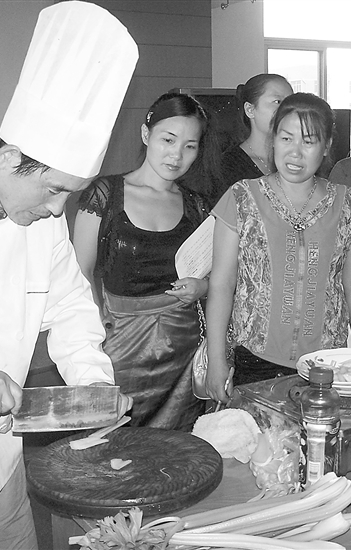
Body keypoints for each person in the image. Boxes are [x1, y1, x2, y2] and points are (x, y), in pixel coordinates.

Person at [0, 2, 138, 549]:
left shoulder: (42, 220)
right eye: (53, 189)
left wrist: (93, 386)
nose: (58, 209)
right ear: (11, 156)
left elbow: (68, 306)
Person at [206, 92, 351, 405]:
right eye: (286, 138)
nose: (295, 152)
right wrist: (216, 360)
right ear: (273, 140)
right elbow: (221, 283)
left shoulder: (347, 202)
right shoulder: (242, 197)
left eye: (308, 141)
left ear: (326, 146)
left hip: (327, 365)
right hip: (254, 359)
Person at [73, 92, 221, 431]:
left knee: (178, 442)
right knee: (112, 436)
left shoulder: (198, 205)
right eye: (168, 140)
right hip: (118, 343)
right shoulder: (105, 194)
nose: (177, 155)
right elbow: (80, 272)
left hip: (182, 347)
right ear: (146, 134)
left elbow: (223, 276)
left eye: (190, 146)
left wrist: (202, 287)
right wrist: (94, 331)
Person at [220, 74, 293, 192]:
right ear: (250, 110)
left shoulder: (298, 158)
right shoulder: (226, 167)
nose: (288, 110)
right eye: (277, 101)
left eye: (290, 102)